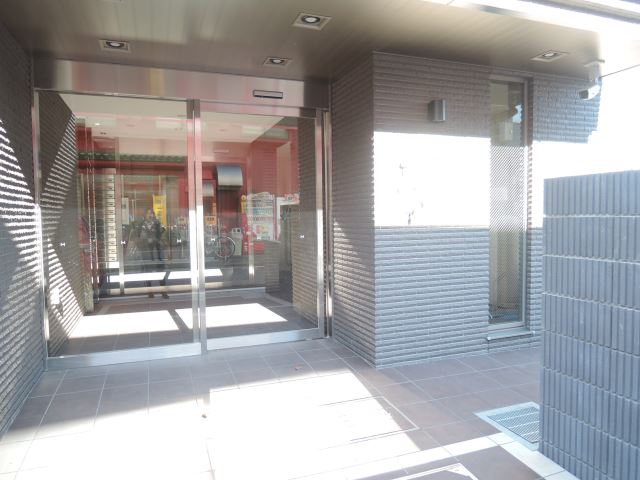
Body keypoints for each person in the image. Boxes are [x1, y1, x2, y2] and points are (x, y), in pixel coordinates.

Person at [138, 208, 167, 298]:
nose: (150, 215)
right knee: (148, 270)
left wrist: (158, 240)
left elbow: (163, 235)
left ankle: (163, 291)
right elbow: (139, 237)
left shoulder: (158, 224)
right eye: (148, 213)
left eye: (152, 213)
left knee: (160, 270)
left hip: (157, 250)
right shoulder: (142, 225)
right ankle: (150, 292)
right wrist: (146, 240)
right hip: (147, 251)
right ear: (145, 215)